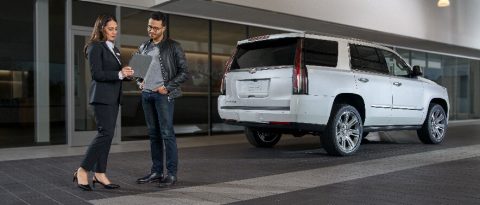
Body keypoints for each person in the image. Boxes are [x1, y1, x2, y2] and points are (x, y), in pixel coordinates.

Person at [73, 14, 134, 191]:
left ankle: (100, 174)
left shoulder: (114, 49)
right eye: (110, 28)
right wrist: (120, 74)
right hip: (101, 97)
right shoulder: (95, 47)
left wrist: (127, 74)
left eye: (116, 28)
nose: (114, 32)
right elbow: (97, 75)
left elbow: (117, 74)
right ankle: (82, 170)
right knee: (105, 134)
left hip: (113, 98)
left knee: (107, 136)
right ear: (101, 29)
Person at [135, 11, 188, 187]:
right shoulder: (143, 47)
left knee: (167, 134)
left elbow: (184, 72)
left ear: (163, 28)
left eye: (156, 28)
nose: (151, 30)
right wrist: (139, 81)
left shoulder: (173, 46)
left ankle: (171, 174)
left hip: (163, 95)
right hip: (147, 95)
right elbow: (136, 72)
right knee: (153, 134)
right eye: (149, 26)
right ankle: (157, 171)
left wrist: (167, 87)